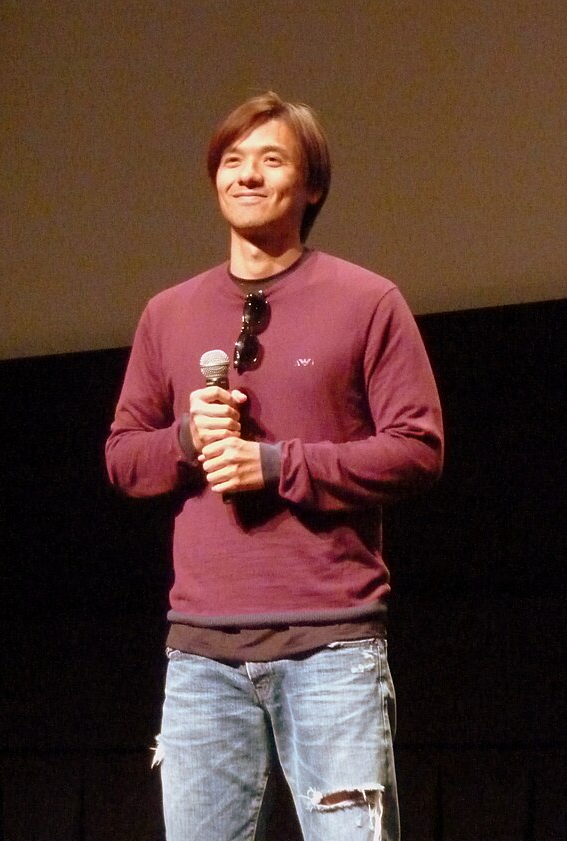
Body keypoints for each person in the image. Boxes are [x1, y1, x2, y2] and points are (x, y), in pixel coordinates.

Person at [105, 91, 443, 841]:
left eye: (270, 159)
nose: (247, 175)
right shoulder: (168, 313)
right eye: (232, 160)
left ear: (311, 185)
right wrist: (187, 439)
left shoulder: (367, 301)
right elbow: (124, 457)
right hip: (200, 656)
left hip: (333, 648)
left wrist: (278, 464)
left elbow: (419, 447)